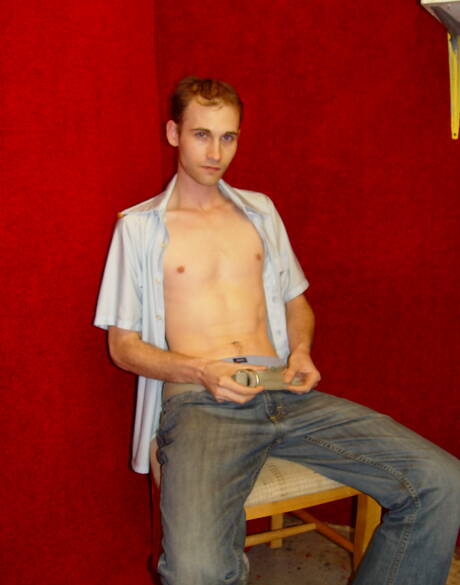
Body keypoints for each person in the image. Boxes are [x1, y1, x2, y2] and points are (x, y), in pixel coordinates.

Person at [94, 76, 460, 585]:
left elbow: (296, 302)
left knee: (442, 482)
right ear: (174, 133)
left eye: (228, 137)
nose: (216, 152)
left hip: (285, 392)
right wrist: (201, 370)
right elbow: (123, 347)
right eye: (202, 135)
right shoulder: (138, 227)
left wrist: (301, 352)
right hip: (202, 404)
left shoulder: (260, 212)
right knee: (196, 571)